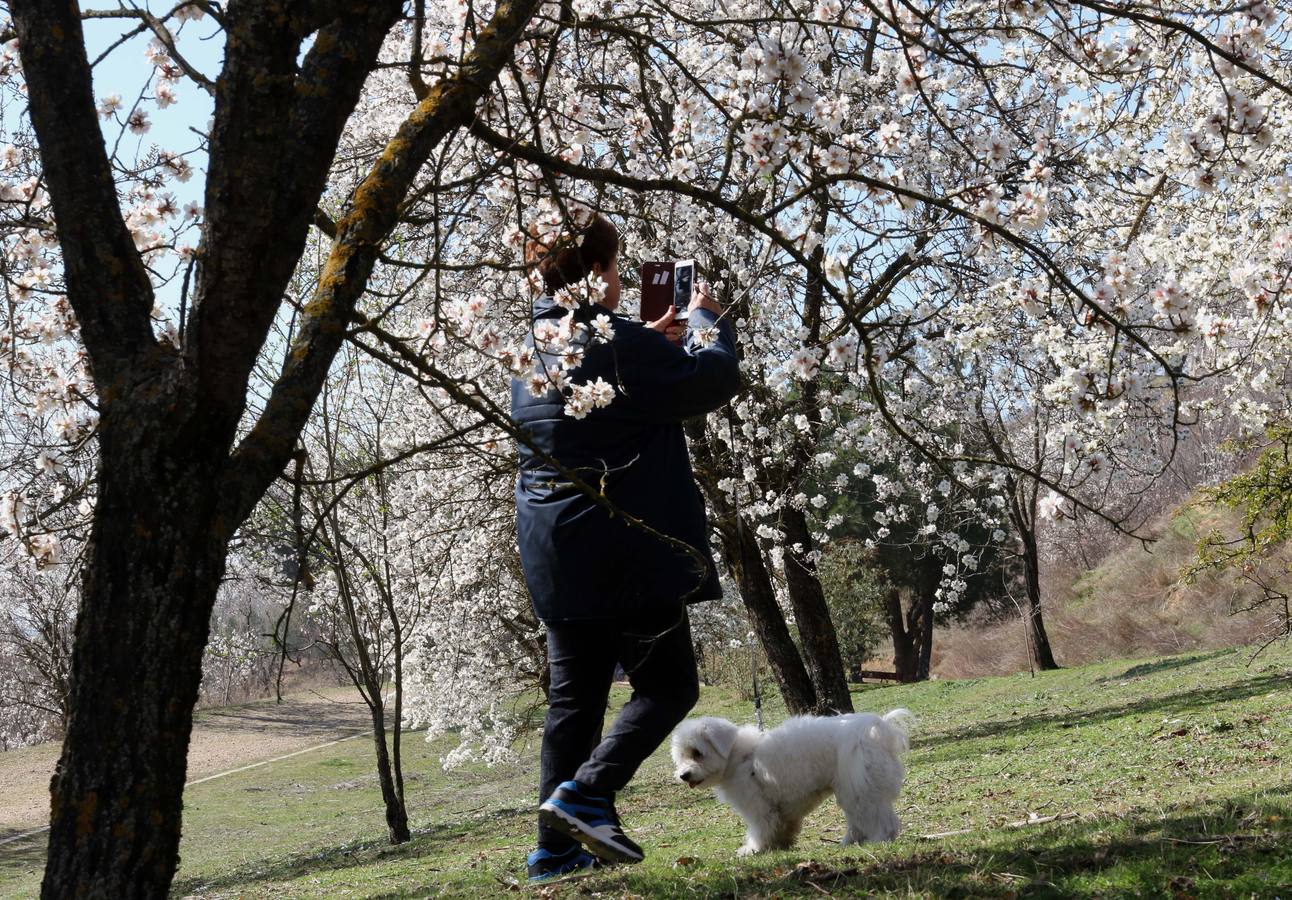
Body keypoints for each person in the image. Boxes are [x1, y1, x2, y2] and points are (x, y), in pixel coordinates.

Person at [511, 214, 739, 882]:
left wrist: (649, 342)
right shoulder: (621, 347)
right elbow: (710, 383)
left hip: (554, 552)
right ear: (595, 274)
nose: (618, 279)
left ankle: (553, 853)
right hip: (626, 549)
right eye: (613, 268)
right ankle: (587, 794)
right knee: (668, 687)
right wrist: (706, 328)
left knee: (574, 704)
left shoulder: (533, 340)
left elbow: (608, 400)